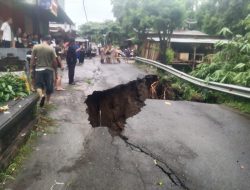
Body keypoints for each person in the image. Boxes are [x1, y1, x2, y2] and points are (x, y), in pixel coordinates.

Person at [31, 35, 58, 107]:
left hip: (38, 69)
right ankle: (48, 101)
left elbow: (32, 59)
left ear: (42, 40)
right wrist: (56, 70)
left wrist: (31, 68)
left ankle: (42, 95)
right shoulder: (51, 48)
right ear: (48, 40)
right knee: (49, 86)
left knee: (38, 85)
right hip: (49, 70)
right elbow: (54, 61)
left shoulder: (35, 47)